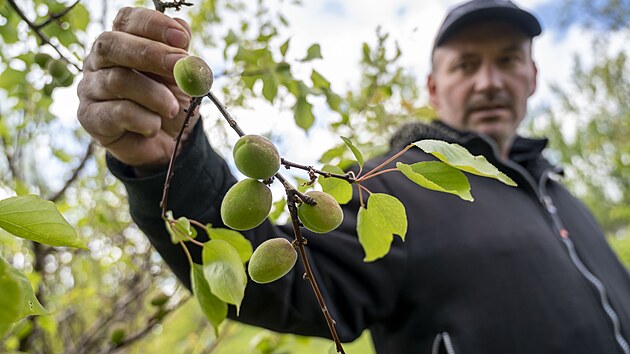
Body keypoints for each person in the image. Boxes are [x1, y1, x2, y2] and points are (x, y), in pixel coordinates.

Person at [77, 0, 630, 353]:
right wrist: (172, 161)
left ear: (531, 77)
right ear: (434, 88)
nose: (488, 81)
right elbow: (282, 275)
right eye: (465, 64)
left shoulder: (560, 193)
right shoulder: (392, 186)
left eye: (508, 60)